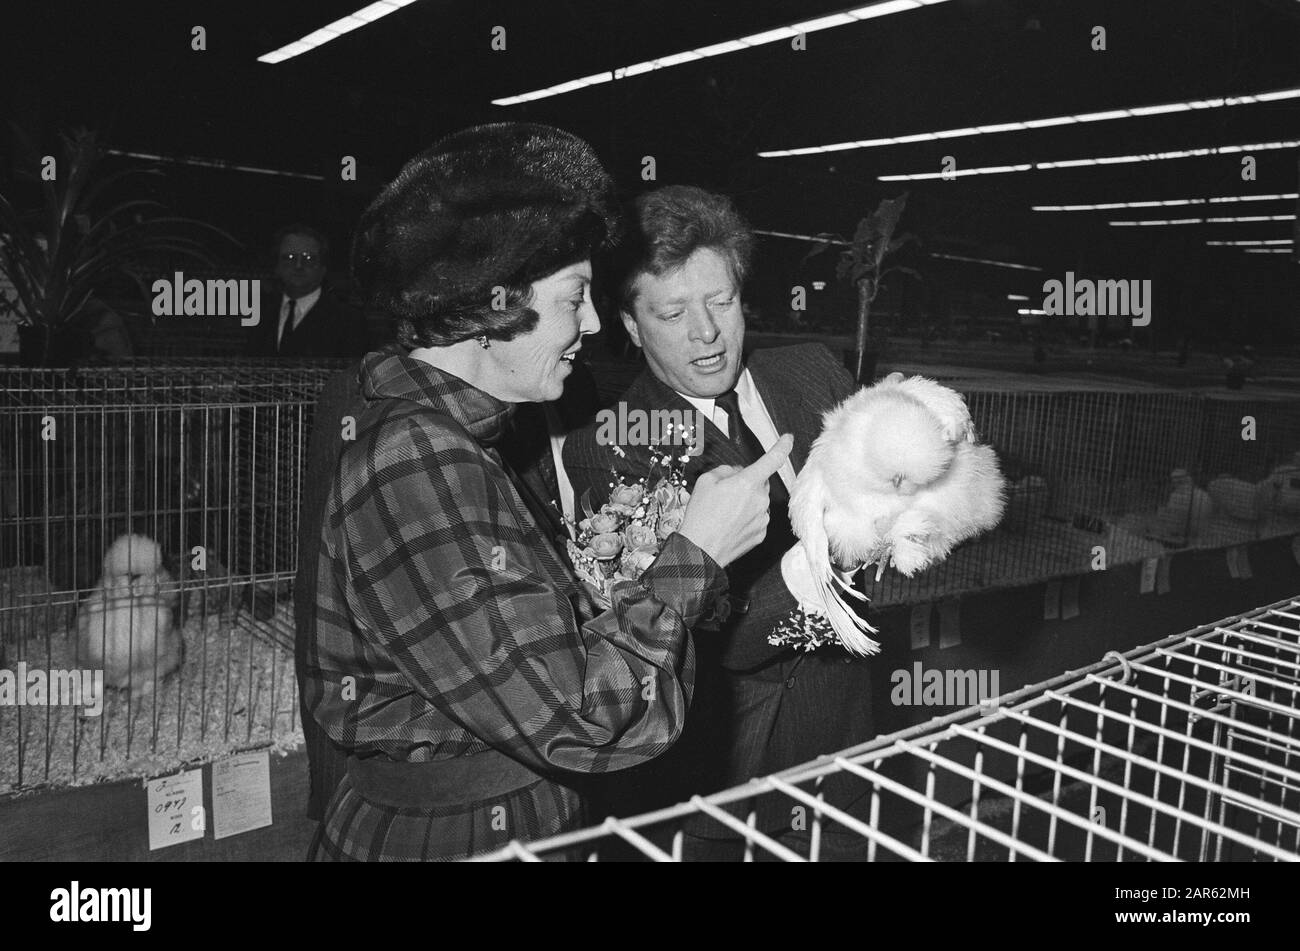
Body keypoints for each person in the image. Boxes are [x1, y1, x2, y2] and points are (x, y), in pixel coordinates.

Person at [302, 123, 792, 861]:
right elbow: (587, 713)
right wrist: (695, 552)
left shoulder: (457, 441)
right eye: (575, 298)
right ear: (492, 306)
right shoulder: (415, 464)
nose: (592, 323)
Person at [564, 185, 877, 860]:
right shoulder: (609, 447)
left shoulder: (814, 373)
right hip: (723, 789)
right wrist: (843, 553)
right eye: (673, 312)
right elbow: (709, 637)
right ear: (630, 323)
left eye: (721, 301)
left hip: (845, 750)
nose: (706, 332)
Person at [247, 224, 368, 358]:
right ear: (277, 266)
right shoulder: (259, 315)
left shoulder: (349, 321)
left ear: (323, 268)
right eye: (290, 258)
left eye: (309, 258)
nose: (299, 266)